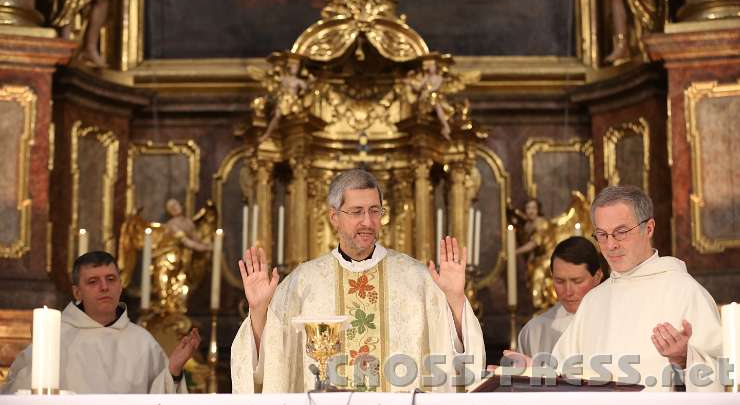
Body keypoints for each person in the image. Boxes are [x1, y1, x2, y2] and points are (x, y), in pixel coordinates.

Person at [230, 169, 485, 392]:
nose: (367, 222)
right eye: (356, 212)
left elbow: (460, 359)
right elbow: (268, 366)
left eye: (375, 211)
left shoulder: (418, 279)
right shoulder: (303, 283)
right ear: (334, 218)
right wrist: (260, 311)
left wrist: (454, 299)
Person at [548, 186, 722, 391]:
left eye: (620, 233)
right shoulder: (594, 300)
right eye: (602, 235)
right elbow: (563, 371)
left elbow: (721, 372)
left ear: (648, 228)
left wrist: (684, 358)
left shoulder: (684, 292)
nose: (610, 245)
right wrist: (530, 372)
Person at [2, 251, 199, 394]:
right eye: (93, 281)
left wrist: (173, 370)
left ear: (120, 286)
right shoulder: (54, 338)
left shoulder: (142, 342)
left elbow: (157, 400)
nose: (104, 287)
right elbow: (15, 394)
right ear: (77, 292)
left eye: (111, 279)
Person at [517, 236, 604, 356]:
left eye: (577, 281)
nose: (568, 292)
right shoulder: (534, 332)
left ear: (597, 277)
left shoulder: (616, 324)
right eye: (560, 281)